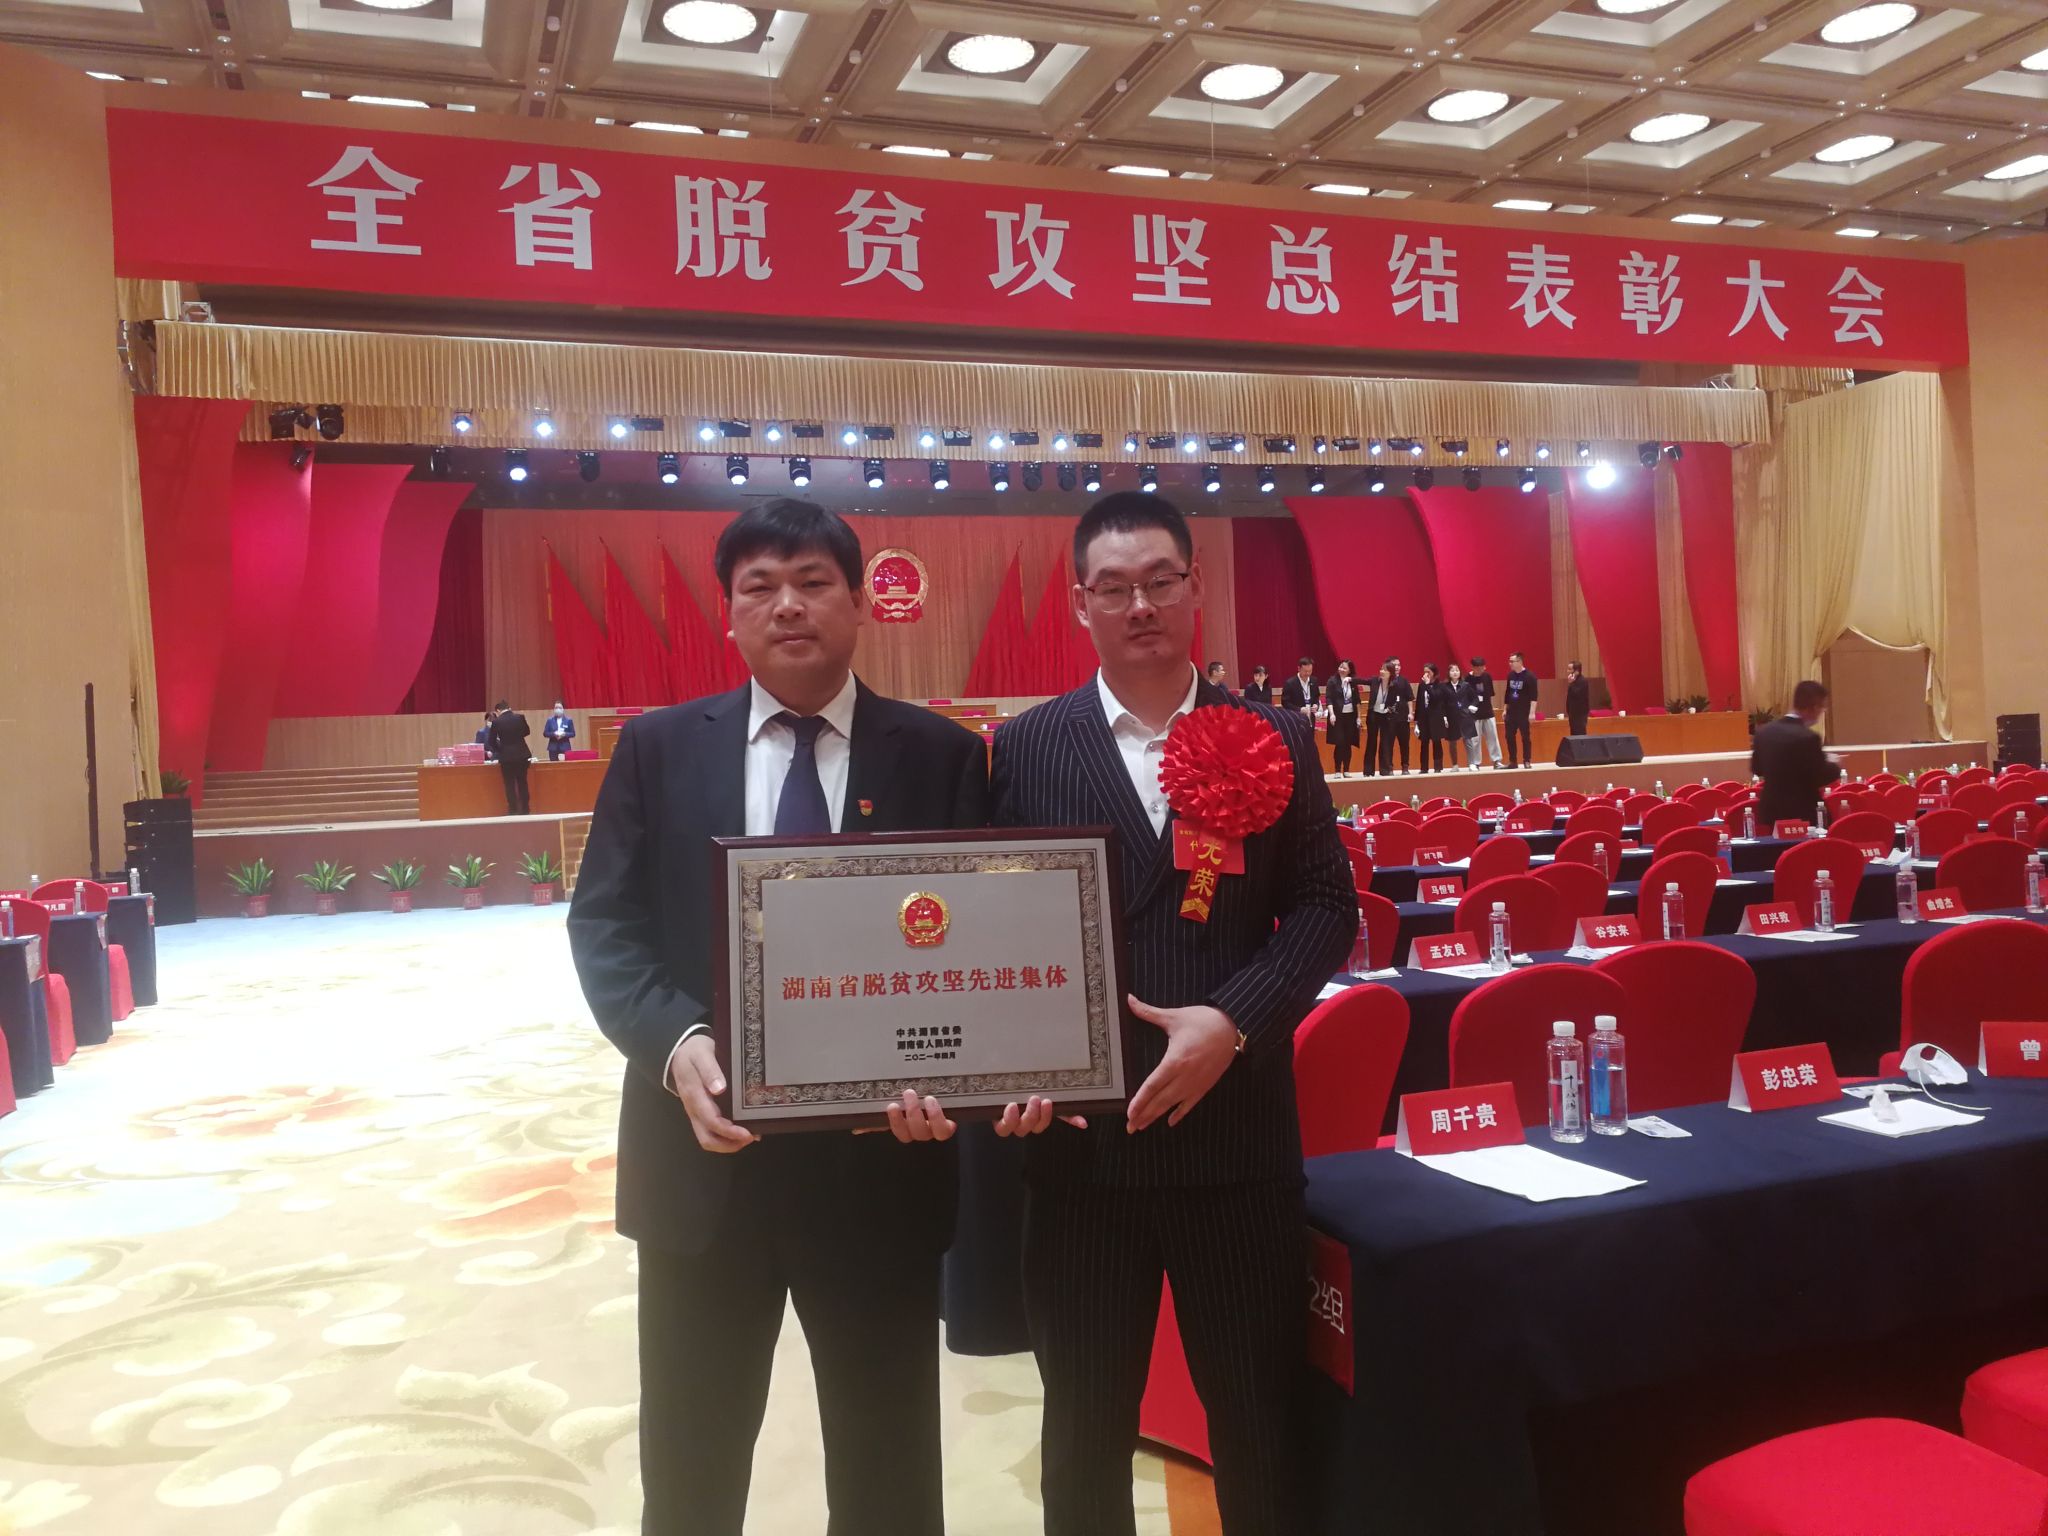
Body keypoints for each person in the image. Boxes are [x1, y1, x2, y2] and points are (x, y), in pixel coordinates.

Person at [566, 498, 988, 1536]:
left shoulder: (940, 756)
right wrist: (676, 1045)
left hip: (879, 1173)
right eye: (759, 586)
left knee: (889, 1476)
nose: (787, 605)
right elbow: (606, 926)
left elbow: (974, 948)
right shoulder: (658, 749)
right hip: (703, 1162)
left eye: (812, 582)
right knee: (691, 1471)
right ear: (729, 614)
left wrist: (957, 1073)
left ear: (861, 603)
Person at [988, 492, 1352, 1536]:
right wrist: (1011, 1065)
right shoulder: (1026, 747)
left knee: (1259, 1427)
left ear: (1195, 585)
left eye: (1158, 580)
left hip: (1232, 1145)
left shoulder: (1272, 735)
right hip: (1081, 1155)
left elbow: (1324, 908)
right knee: (1082, 1433)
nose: (1139, 604)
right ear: (1080, 604)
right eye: (1113, 588)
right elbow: (994, 923)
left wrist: (1231, 1021)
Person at [1752, 679, 1843, 828]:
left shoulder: (1764, 733)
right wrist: (1834, 764)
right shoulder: (1808, 737)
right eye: (1822, 708)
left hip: (1771, 810)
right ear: (1815, 707)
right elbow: (1819, 776)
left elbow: (1757, 769)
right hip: (1803, 811)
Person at [488, 700, 532, 814]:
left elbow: (491, 741)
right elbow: (527, 732)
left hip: (506, 757)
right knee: (522, 782)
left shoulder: (496, 722)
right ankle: (525, 809)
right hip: (522, 754)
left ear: (498, 710)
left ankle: (513, 810)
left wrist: (500, 750)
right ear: (509, 708)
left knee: (509, 784)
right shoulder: (520, 718)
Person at [1414, 664, 1454, 773]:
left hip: (1436, 717)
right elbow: (1419, 703)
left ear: (1434, 673)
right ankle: (1424, 768)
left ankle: (1438, 767)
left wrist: (1428, 685)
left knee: (1436, 742)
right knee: (1424, 743)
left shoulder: (1440, 685)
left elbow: (1435, 697)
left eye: (1428, 672)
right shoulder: (1422, 685)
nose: (1426, 674)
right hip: (1424, 718)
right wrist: (1416, 722)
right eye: (1424, 672)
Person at [1378, 657, 1414, 775]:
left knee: (1404, 744)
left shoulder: (1404, 681)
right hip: (1389, 719)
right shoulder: (1385, 681)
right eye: (1394, 665)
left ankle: (1405, 767)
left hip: (1403, 717)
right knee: (1389, 744)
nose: (1397, 667)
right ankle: (1389, 767)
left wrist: (1410, 712)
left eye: (1399, 665)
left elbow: (1409, 698)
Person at [1325, 659, 1361, 774]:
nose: (1341, 669)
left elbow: (1357, 701)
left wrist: (1359, 717)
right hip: (1337, 716)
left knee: (1348, 743)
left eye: (1344, 668)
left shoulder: (1352, 681)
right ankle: (1337, 770)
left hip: (1350, 716)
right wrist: (1332, 714)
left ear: (1349, 670)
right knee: (1339, 743)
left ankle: (1346, 769)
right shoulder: (1332, 681)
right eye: (1340, 667)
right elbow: (1329, 699)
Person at [1502, 652, 1537, 768]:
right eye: (1510, 661)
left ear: (1520, 662)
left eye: (1512, 661)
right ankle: (1513, 761)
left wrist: (1532, 713)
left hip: (1524, 712)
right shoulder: (1510, 675)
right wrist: (1505, 709)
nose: (1510, 663)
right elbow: (1507, 693)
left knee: (1525, 737)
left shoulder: (1530, 676)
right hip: (1511, 712)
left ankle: (1527, 760)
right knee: (1509, 736)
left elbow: (1534, 696)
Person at [1468, 657, 1503, 768]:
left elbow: (1490, 694)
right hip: (1474, 715)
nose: (1480, 670)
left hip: (1488, 712)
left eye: (1482, 667)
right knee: (1475, 740)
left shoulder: (1487, 677)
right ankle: (1475, 763)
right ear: (1472, 667)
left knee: (1493, 738)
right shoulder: (1467, 679)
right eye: (1477, 668)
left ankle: (1496, 761)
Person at [1447, 661, 1481, 770]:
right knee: (1452, 742)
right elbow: (1442, 703)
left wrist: (1472, 706)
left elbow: (1475, 698)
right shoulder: (1445, 687)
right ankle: (1455, 765)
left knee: (1468, 740)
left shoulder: (1465, 685)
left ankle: (1472, 763)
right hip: (1451, 717)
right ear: (1449, 673)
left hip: (1465, 716)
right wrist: (1444, 717)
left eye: (1457, 670)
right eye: (1452, 670)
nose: (1455, 672)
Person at [1363, 661, 1394, 778]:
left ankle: (1384, 770)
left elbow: (1396, 701)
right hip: (1374, 715)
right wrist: (1350, 679)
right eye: (1381, 669)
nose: (1381, 671)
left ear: (1390, 673)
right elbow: (1362, 681)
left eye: (1385, 670)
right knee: (1371, 742)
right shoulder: (1375, 681)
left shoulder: (1394, 685)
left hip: (1386, 717)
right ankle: (1368, 771)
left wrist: (1390, 709)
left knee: (1385, 743)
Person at [1565, 662, 1591, 737]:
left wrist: (1571, 683)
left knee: (1580, 735)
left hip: (1580, 714)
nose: (1567, 671)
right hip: (1572, 713)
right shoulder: (1574, 681)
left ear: (1576, 671)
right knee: (1573, 735)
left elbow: (1576, 694)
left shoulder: (1583, 681)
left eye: (1570, 669)